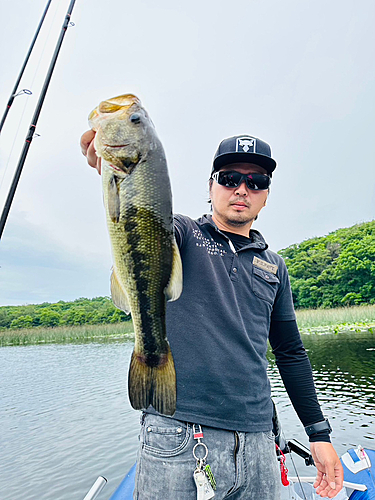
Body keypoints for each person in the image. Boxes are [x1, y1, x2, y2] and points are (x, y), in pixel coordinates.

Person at [81, 130, 344, 499]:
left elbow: (290, 352)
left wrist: (319, 434)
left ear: (266, 196)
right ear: (211, 185)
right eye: (230, 178)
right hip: (178, 436)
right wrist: (123, 177)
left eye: (256, 182)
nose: (242, 189)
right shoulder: (183, 233)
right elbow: (144, 224)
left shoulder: (275, 266)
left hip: (258, 440)